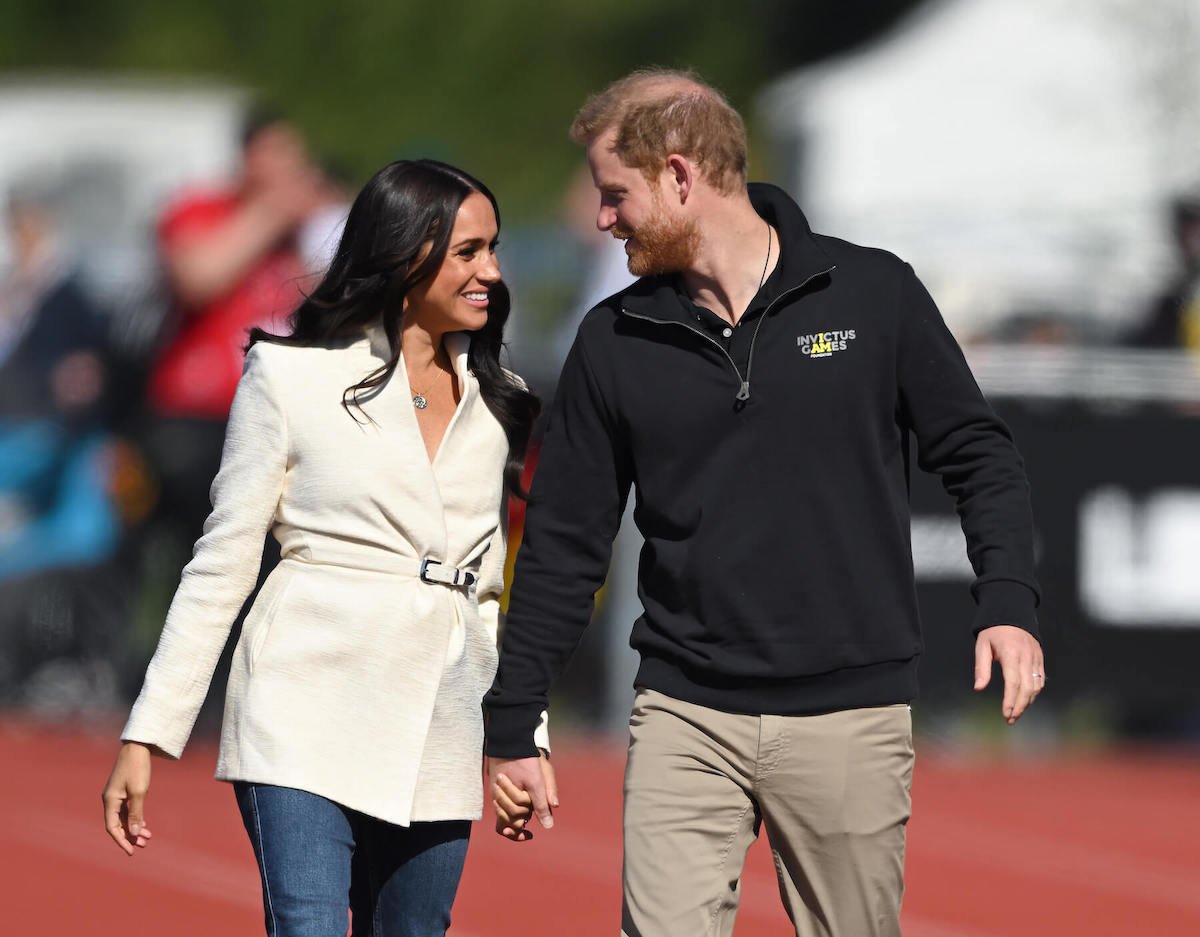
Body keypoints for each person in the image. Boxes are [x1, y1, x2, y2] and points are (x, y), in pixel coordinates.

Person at [483, 69, 1045, 937]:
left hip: (851, 713)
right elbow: (562, 545)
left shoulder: (874, 292)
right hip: (683, 712)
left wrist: (1007, 603)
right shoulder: (611, 340)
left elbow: (980, 454)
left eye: (613, 193)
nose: (601, 219)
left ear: (679, 175)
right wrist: (515, 719)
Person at [102, 159, 553, 937]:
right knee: (308, 923)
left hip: (438, 719)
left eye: (494, 248)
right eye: (470, 251)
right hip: (300, 705)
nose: (493, 271)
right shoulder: (287, 377)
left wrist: (523, 736)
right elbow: (224, 560)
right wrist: (149, 730)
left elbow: (486, 597)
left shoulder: (497, 399)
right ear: (409, 255)